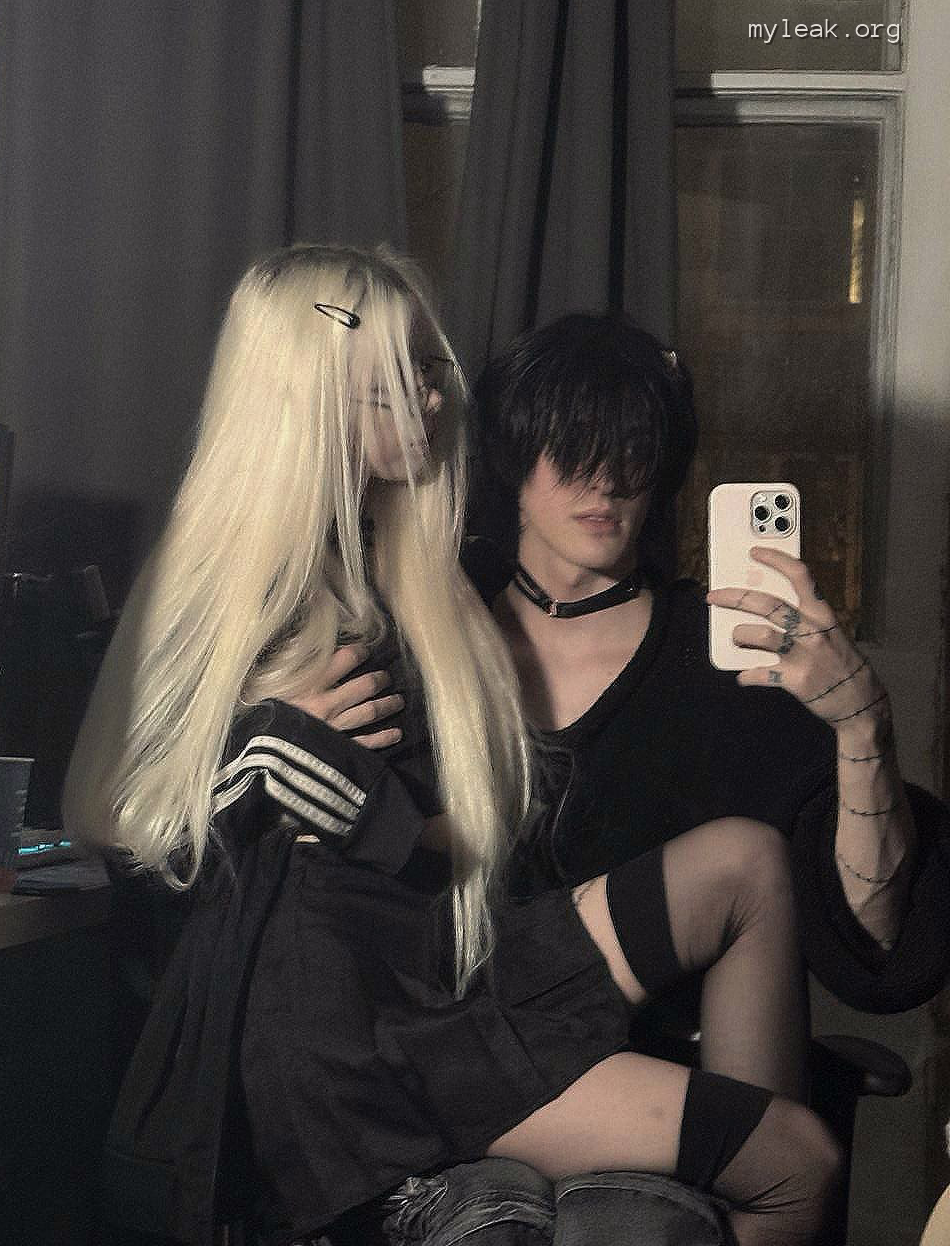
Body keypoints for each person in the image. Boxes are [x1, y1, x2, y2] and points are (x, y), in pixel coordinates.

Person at [64, 253, 842, 1246]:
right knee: (799, 1160)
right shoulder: (243, 578)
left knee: (745, 862)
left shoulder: (410, 576)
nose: (434, 397)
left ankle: (699, 1192)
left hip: (444, 973)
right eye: (400, 376)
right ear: (311, 393)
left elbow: (433, 834)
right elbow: (124, 812)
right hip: (360, 1042)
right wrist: (272, 755)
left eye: (433, 370)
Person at [313, 311, 950, 1244]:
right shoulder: (421, 636)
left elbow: (879, 950)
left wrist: (863, 727)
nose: (606, 479)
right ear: (513, 456)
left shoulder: (734, 669)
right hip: (458, 1084)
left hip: (675, 1119)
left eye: (632, 451)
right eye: (574, 446)